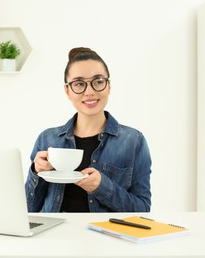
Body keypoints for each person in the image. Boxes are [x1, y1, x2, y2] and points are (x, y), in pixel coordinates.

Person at [25, 47, 152, 212]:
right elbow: (29, 209)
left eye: (98, 81)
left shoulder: (133, 141)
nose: (90, 92)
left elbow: (142, 209)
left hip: (105, 235)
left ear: (108, 86)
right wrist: (36, 172)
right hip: (54, 235)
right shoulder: (47, 139)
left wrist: (102, 187)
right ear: (67, 91)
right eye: (79, 84)